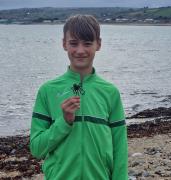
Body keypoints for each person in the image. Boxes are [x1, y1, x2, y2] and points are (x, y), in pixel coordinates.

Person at [30, 14, 128, 180]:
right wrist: (64, 122)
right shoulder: (48, 90)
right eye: (74, 43)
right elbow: (37, 148)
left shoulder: (110, 92)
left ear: (98, 44)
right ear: (64, 44)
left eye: (87, 43)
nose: (80, 50)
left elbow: (120, 148)